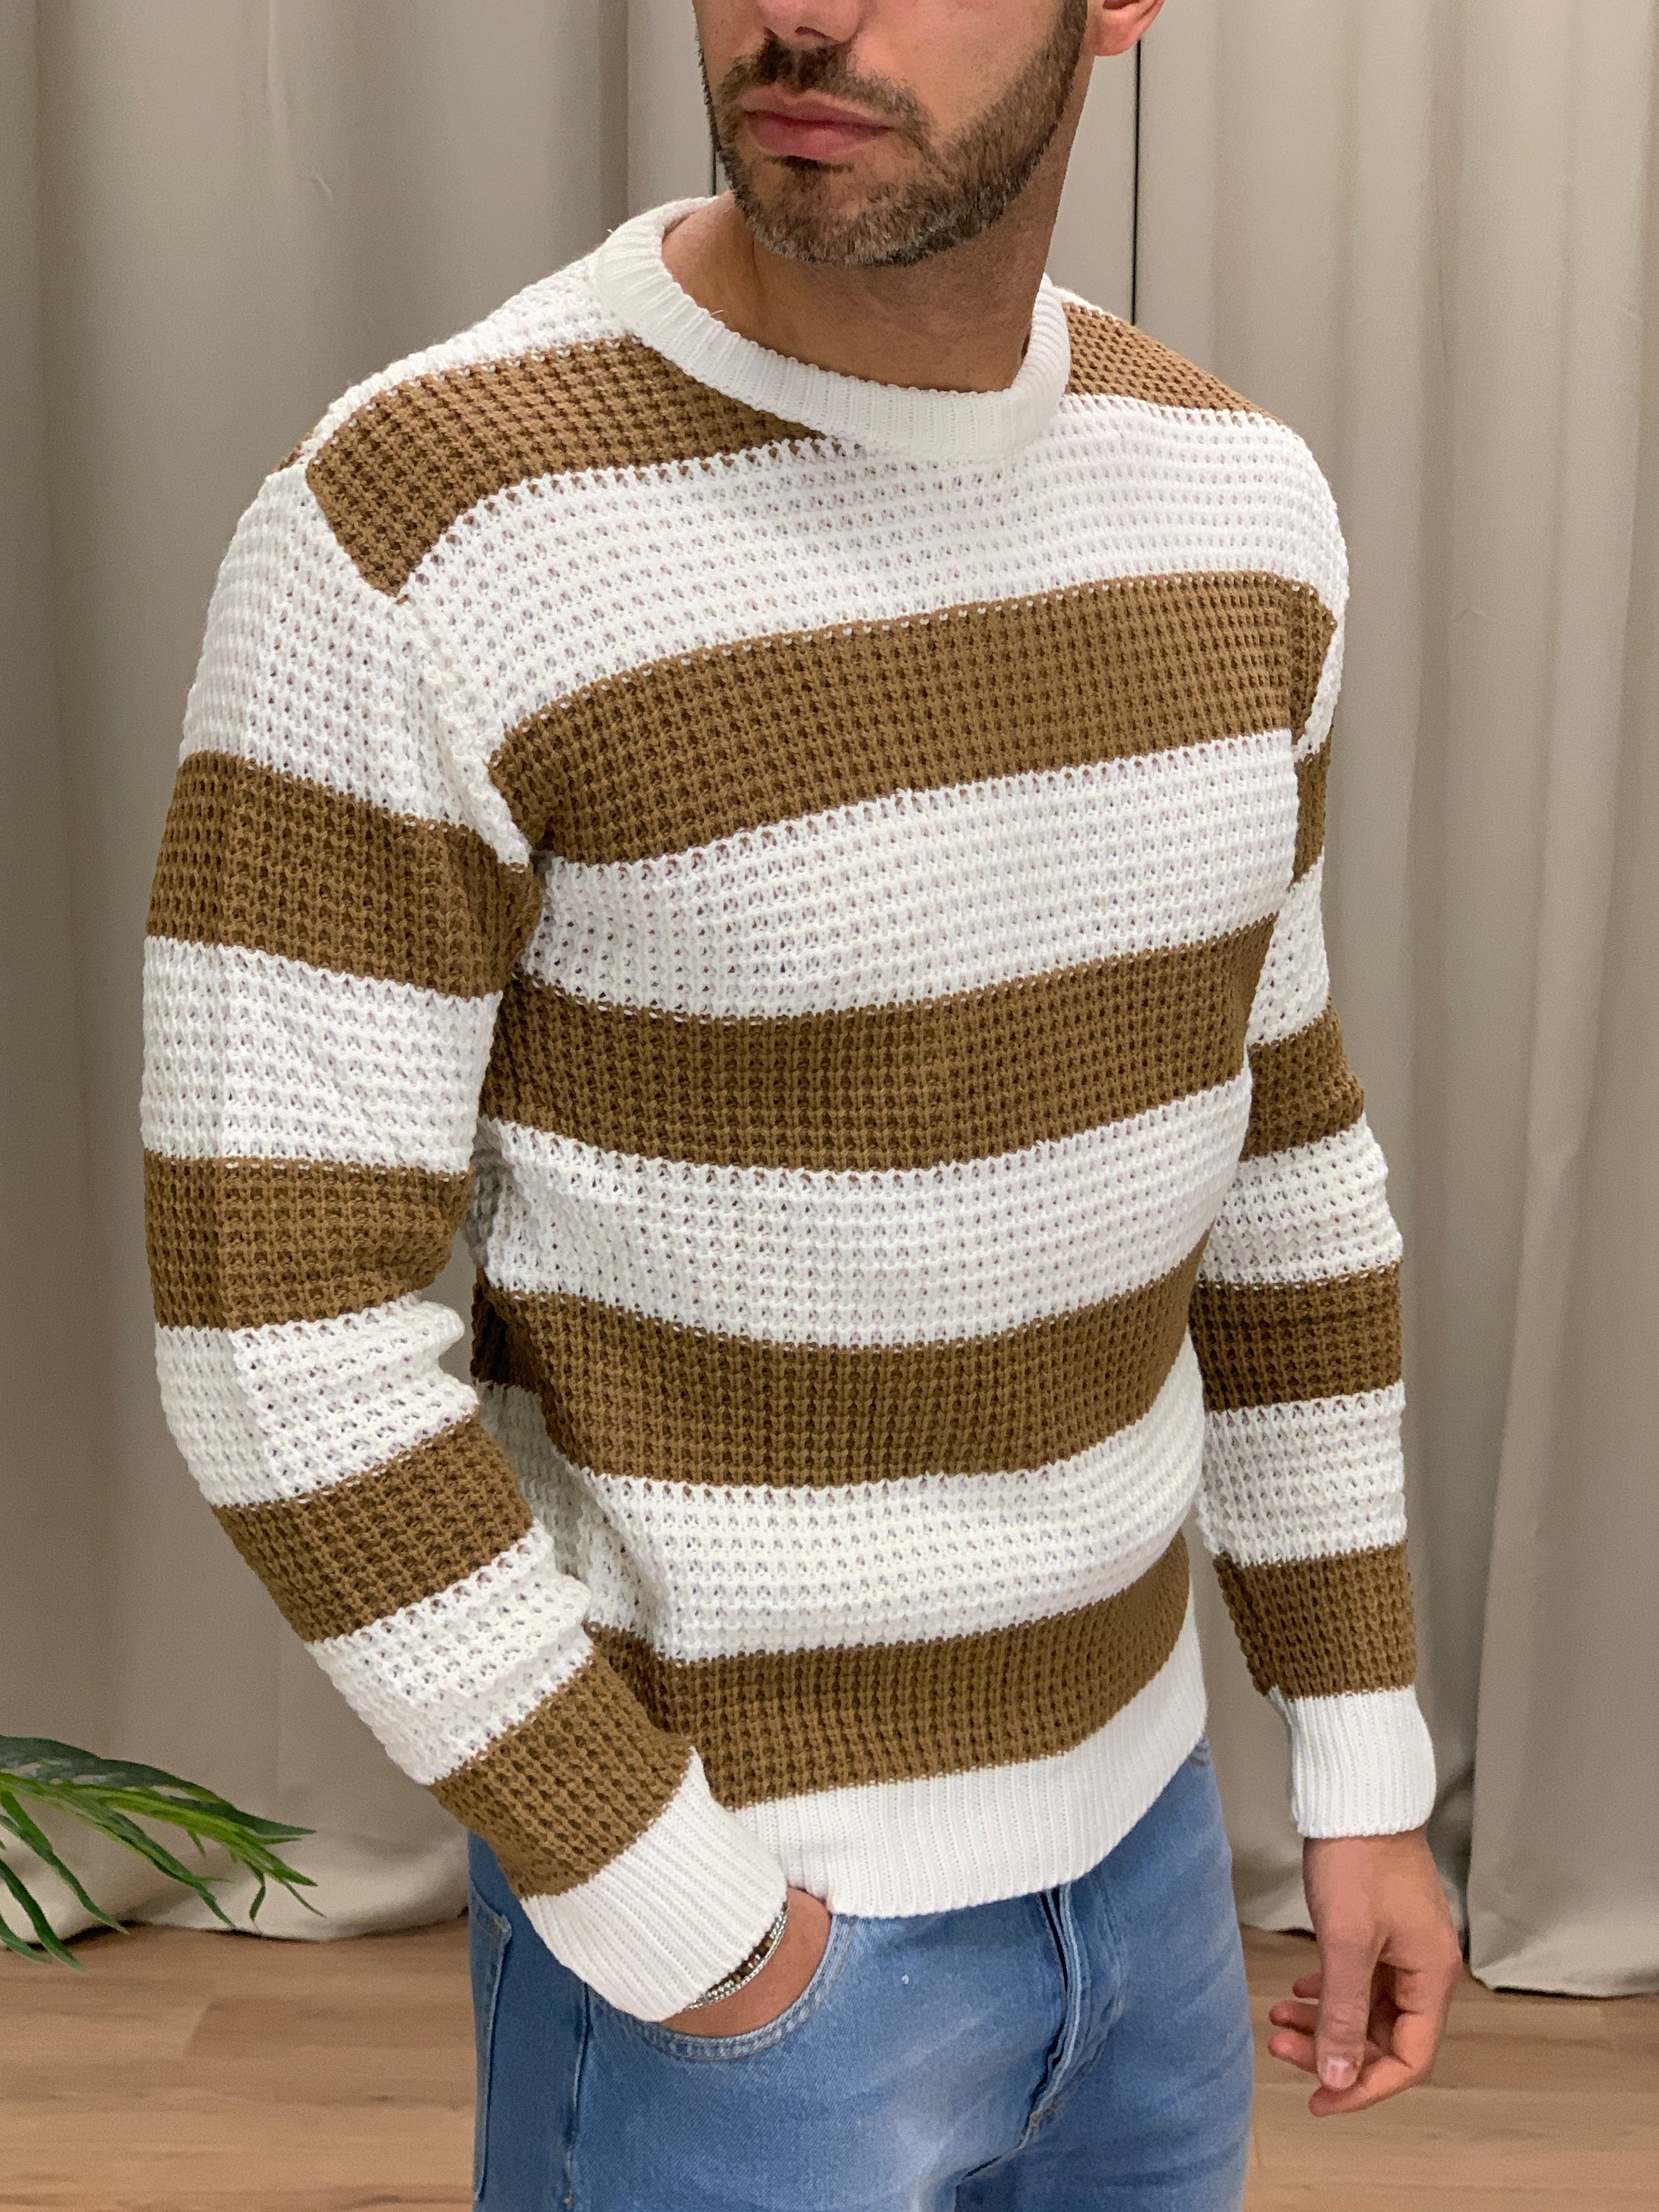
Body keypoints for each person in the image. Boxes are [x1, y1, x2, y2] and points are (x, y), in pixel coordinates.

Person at [141, 1, 1465, 2204]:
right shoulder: (428, 525)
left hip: (1149, 1872)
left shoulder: (1239, 504)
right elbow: (272, 1314)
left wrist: (1355, 1764)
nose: (803, 14)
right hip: (744, 1957)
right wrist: (679, 1914)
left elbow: (1278, 1165)